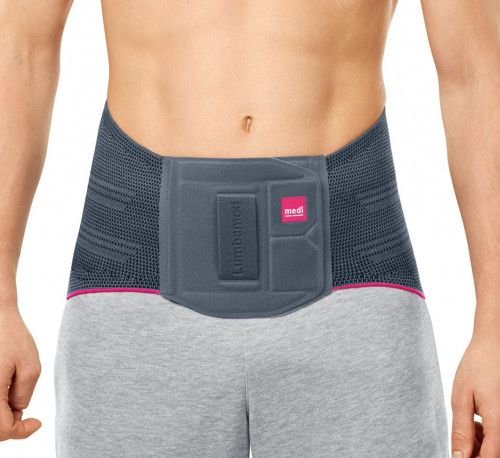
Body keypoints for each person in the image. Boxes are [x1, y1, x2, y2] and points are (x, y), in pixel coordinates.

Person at [0, 0, 498, 457]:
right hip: (133, 287)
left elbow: (476, 69)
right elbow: (20, 52)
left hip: (355, 289)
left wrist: (495, 326)